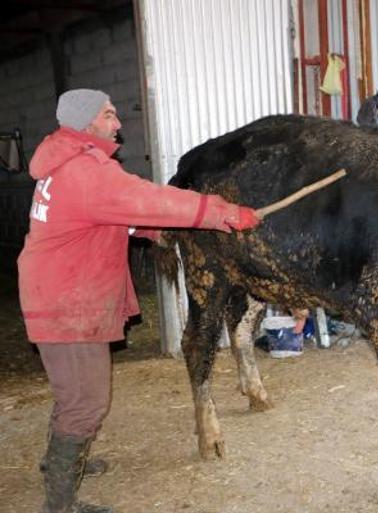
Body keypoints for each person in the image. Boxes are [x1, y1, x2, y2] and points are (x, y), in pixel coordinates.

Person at [18, 89, 262, 513]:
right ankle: (60, 503)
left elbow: (107, 214)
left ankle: (59, 463)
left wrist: (149, 231)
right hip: (68, 303)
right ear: (87, 122)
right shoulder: (85, 169)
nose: (118, 124)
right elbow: (149, 199)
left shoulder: (67, 163)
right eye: (110, 115)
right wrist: (220, 211)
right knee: (87, 401)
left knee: (71, 393)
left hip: (56, 290)